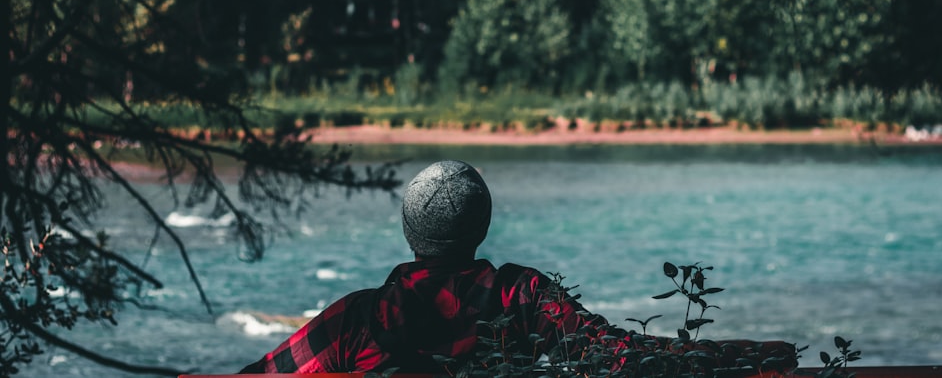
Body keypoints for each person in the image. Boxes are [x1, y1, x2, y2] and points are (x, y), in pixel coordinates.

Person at [240, 160, 798, 374]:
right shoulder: (524, 297)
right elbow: (623, 354)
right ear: (482, 229)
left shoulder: (357, 320)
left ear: (409, 234)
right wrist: (750, 354)